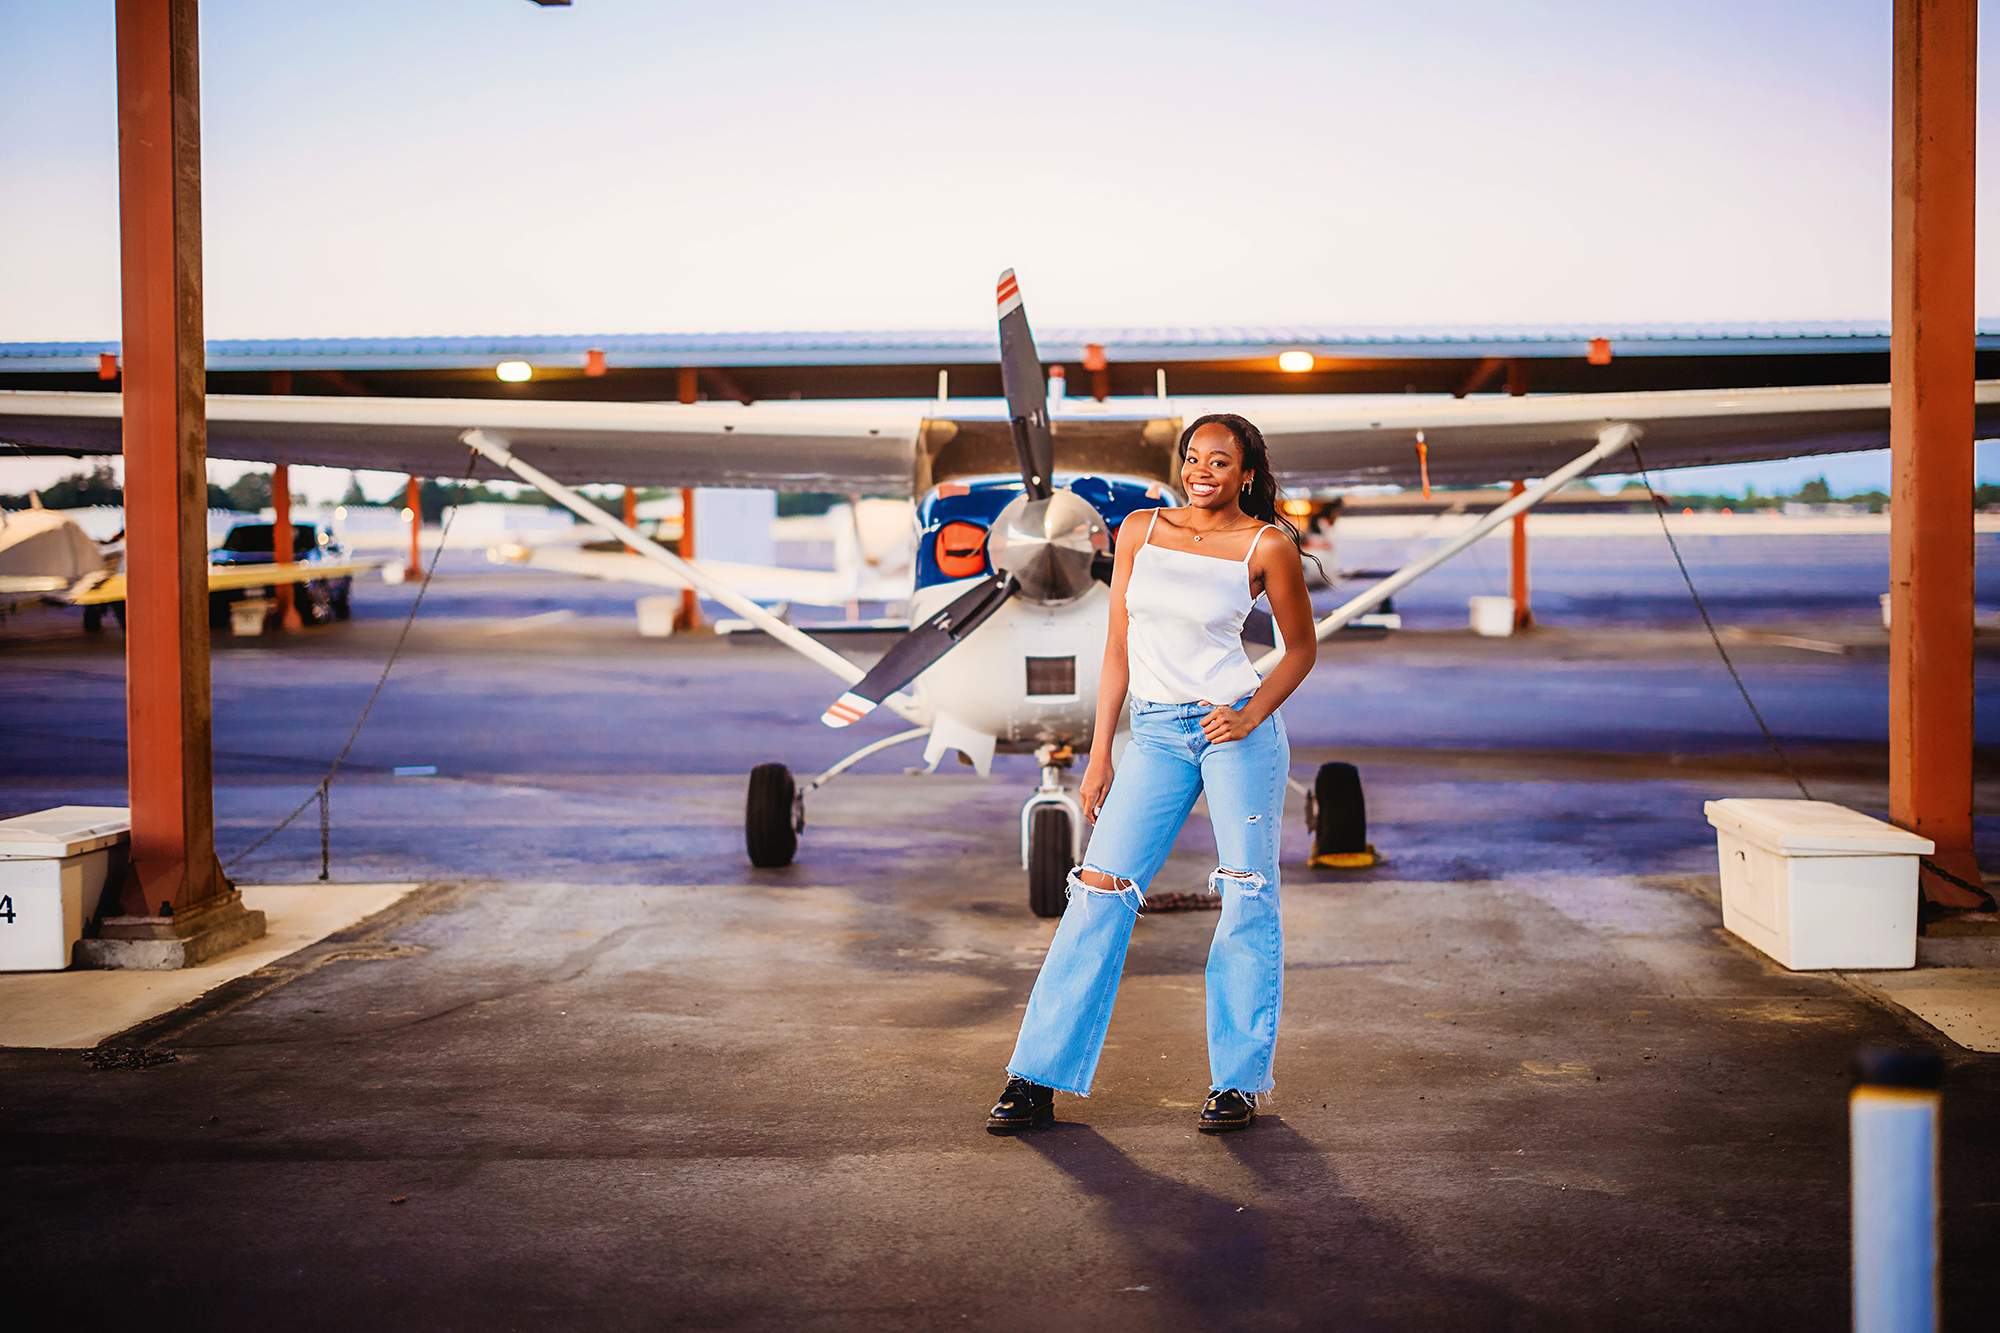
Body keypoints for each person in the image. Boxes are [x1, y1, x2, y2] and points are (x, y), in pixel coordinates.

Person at [987, 413, 1319, 1135]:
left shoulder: (1267, 545)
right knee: (1099, 887)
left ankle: (1235, 1083)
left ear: (1247, 474)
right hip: (1157, 733)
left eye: (1220, 461)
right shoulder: (1139, 529)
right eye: (1193, 458)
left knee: (1246, 894)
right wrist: (1102, 748)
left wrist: (1250, 712)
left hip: (1234, 728)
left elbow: (1299, 650)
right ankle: (1034, 1075)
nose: (1203, 470)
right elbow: (1117, 649)